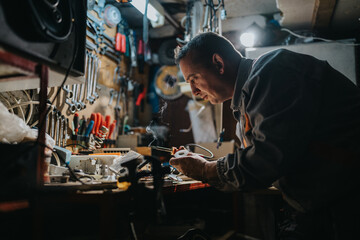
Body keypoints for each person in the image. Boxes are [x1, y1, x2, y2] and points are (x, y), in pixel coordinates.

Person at [169, 32, 360, 239]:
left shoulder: (272, 71)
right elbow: (258, 161)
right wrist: (208, 166)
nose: (194, 91)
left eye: (194, 79)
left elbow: (265, 160)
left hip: (346, 205)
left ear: (218, 63)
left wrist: (206, 169)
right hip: (320, 205)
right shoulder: (247, 100)